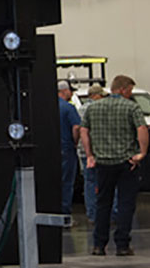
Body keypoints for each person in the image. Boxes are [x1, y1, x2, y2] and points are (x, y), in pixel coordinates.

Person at [81, 75, 148, 256]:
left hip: (103, 163)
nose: (131, 94)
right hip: (127, 163)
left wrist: (89, 155)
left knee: (103, 204)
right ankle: (122, 245)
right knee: (126, 204)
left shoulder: (93, 108)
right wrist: (141, 153)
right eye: (130, 90)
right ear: (124, 89)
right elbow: (142, 129)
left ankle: (98, 245)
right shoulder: (132, 107)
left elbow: (83, 130)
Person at [78, 84, 108, 223]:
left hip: (84, 151)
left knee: (89, 182)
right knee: (105, 182)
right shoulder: (101, 109)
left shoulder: (80, 109)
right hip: (100, 150)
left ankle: (92, 213)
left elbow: (79, 130)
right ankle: (109, 213)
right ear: (95, 95)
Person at [58, 80, 81, 219]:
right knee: (66, 182)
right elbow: (76, 127)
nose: (71, 93)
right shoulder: (68, 108)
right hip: (66, 148)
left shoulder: (46, 106)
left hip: (50, 149)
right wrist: (75, 142)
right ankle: (64, 212)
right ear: (64, 91)